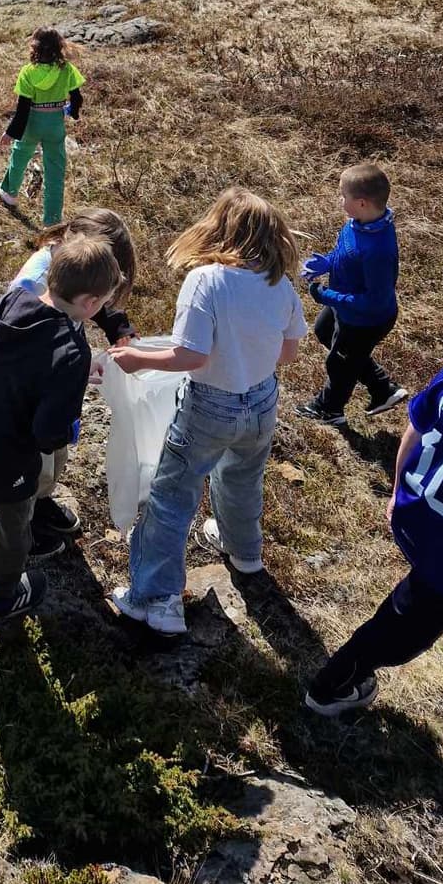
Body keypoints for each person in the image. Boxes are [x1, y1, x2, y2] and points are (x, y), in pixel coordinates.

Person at [306, 304, 443, 732]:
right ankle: (331, 684)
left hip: (419, 513)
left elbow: (414, 429)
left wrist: (399, 488)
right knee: (404, 630)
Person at [110, 188, 307, 636]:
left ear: (219, 228)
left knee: (173, 495)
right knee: (242, 478)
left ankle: (156, 600)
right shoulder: (280, 284)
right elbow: (290, 352)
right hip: (261, 402)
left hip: (209, 405)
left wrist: (137, 359)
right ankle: (245, 553)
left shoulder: (207, 280)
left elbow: (190, 356)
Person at [0, 237, 122, 625]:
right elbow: (49, 433)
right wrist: (72, 418)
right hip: (6, 455)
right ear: (91, 303)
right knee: (15, 524)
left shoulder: (11, 303)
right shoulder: (70, 350)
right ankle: (3, 597)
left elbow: (25, 365)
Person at [12, 209, 139, 559]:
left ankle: (40, 501)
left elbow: (92, 301)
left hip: (55, 390)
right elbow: (21, 353)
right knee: (32, 461)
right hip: (30, 399)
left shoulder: (73, 270)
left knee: (54, 456)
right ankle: (22, 525)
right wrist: (74, 369)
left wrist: (119, 328)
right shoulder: (31, 285)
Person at [298, 162, 406, 427]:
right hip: (346, 306)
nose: (340, 200)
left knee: (340, 364)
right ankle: (383, 389)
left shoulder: (378, 251)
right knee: (324, 331)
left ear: (361, 203)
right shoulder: (357, 224)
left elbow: (373, 302)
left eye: (343, 196)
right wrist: (327, 263)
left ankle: (329, 409)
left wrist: (327, 296)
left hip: (364, 321)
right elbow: (345, 252)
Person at [0, 27, 85, 228]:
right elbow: (77, 97)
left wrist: (10, 132)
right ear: (59, 47)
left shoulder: (28, 72)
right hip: (55, 123)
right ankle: (52, 220)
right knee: (55, 169)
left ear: (34, 47)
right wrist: (72, 111)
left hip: (32, 123)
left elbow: (23, 108)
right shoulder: (67, 70)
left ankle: (9, 192)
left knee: (20, 155)